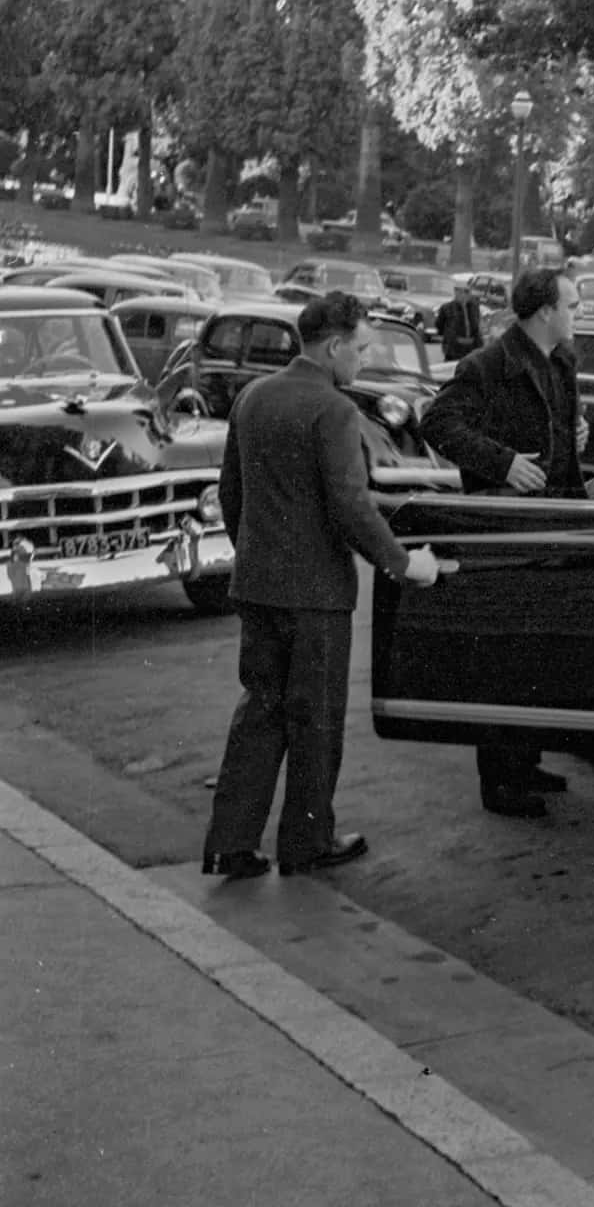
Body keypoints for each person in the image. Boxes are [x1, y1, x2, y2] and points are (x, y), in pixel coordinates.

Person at [203, 292, 451, 880]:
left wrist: (257, 558)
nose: (364, 360)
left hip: (258, 586)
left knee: (258, 713)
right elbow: (352, 507)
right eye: (362, 348)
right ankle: (307, 841)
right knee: (315, 721)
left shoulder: (253, 396)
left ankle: (230, 844)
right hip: (316, 595)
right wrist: (403, 563)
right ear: (335, 345)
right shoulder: (333, 410)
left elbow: (230, 494)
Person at [419, 267, 590, 819]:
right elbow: (438, 423)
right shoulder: (488, 365)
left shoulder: (561, 361)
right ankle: (500, 779)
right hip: (504, 532)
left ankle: (526, 761)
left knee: (538, 652)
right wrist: (503, 463)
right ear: (545, 311)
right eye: (572, 303)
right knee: (504, 655)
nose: (576, 312)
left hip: (550, 527)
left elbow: (558, 431)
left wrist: (575, 432)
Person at [436, 278, 484, 362]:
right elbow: (439, 325)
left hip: (472, 348)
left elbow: (477, 325)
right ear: (456, 292)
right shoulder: (447, 308)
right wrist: (449, 337)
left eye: (467, 292)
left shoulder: (474, 307)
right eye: (462, 291)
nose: (464, 295)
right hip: (454, 349)